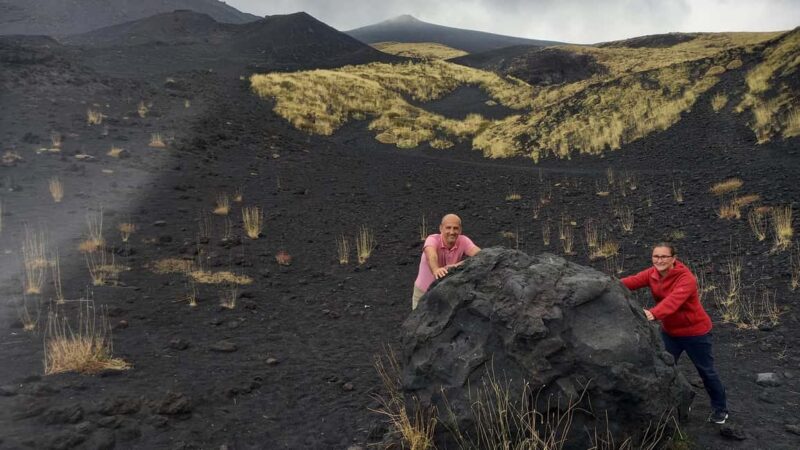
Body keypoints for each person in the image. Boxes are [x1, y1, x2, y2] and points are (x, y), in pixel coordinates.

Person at [621, 242, 729, 424]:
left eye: (664, 256)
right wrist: (606, 283)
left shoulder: (686, 278)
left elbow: (673, 301)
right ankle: (677, 403)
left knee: (706, 371)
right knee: (664, 368)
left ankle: (720, 409)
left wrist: (653, 313)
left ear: (673, 259)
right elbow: (630, 281)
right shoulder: (652, 273)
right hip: (670, 332)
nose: (659, 260)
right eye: (656, 256)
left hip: (695, 333)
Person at [412, 214, 481, 310]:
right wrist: (436, 269)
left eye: (455, 228)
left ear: (460, 230)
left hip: (446, 292)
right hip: (423, 291)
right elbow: (431, 255)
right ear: (441, 228)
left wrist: (457, 265)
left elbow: (480, 254)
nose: (452, 232)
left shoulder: (463, 241)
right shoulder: (432, 239)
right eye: (448, 228)